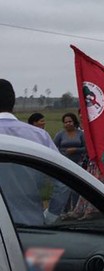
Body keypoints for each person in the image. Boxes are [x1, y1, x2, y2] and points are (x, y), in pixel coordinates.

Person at [0, 79, 68, 225]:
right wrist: (51, 214)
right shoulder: (39, 136)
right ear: (13, 102)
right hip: (30, 225)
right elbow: (63, 181)